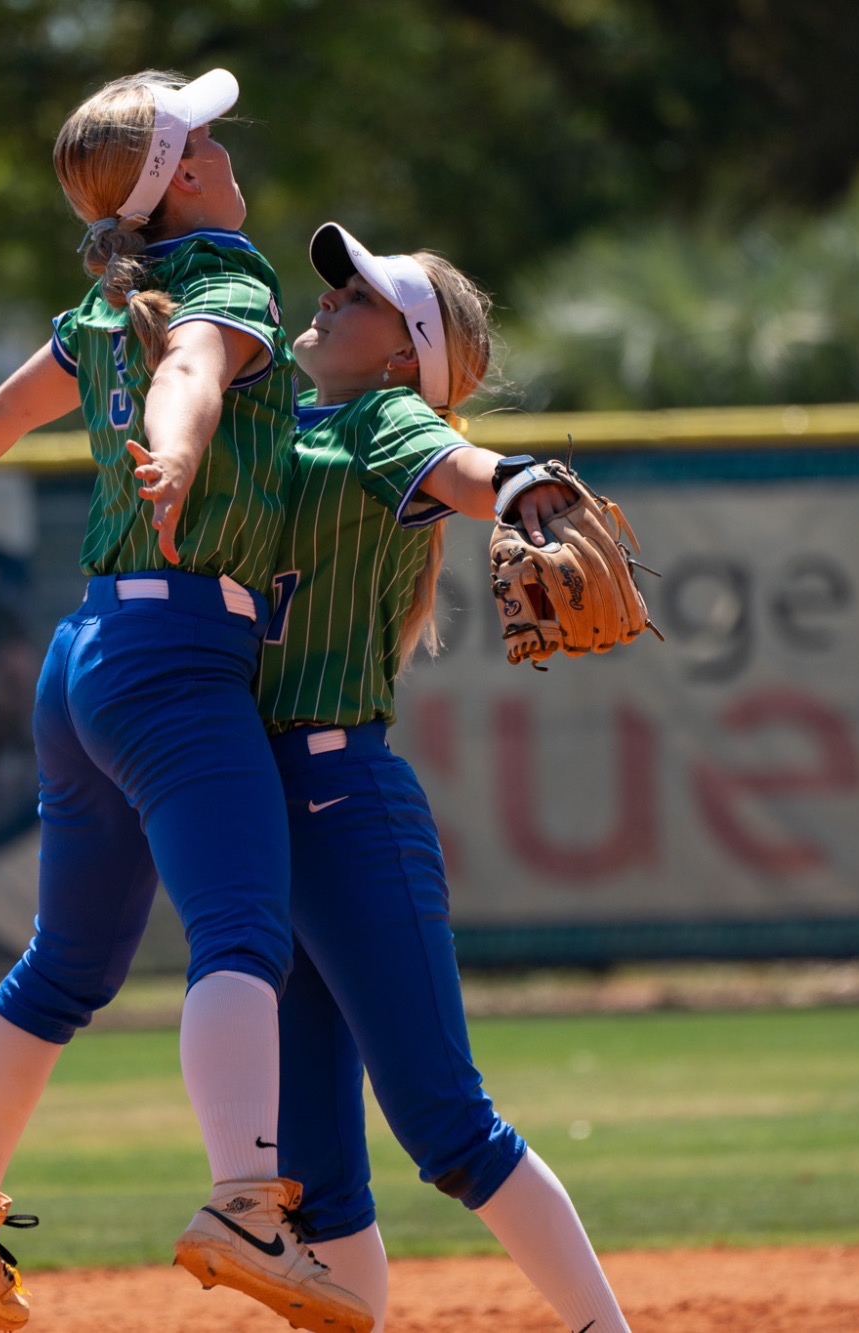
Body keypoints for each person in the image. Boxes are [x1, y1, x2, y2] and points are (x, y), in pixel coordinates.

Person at [0, 74, 370, 1333]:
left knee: (67, 964)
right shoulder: (222, 282)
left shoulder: (102, 306)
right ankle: (244, 1205)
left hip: (85, 658)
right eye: (200, 131)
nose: (218, 139)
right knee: (242, 932)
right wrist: (184, 444)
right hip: (181, 655)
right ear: (183, 175)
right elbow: (194, 369)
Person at [250, 222, 637, 1333]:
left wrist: (516, 485)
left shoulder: (383, 419)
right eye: (331, 286)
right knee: (310, 1170)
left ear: (400, 353)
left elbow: (459, 467)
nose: (326, 299)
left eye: (358, 296)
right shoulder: (276, 419)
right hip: (258, 821)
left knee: (443, 1124)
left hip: (340, 802)